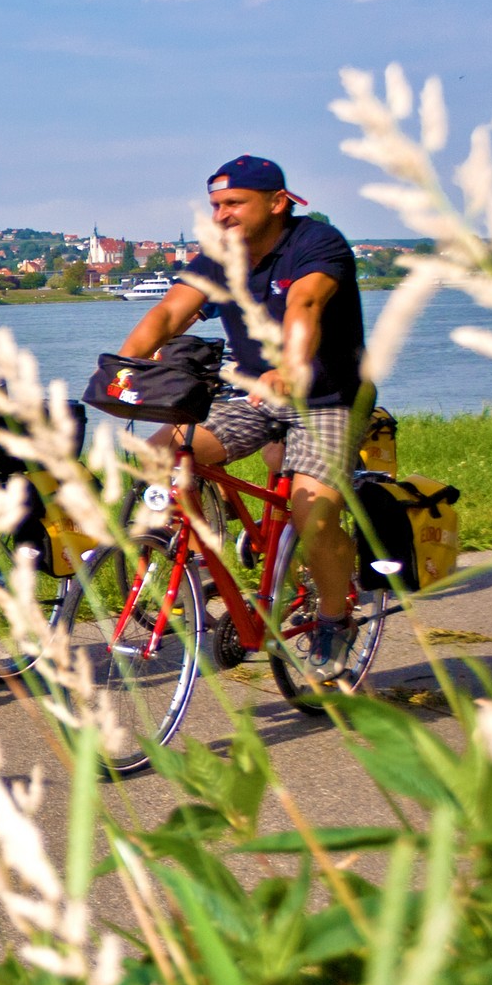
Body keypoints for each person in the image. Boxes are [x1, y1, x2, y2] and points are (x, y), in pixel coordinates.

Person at [117, 155, 367, 674]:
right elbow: (168, 313)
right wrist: (122, 369)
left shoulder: (316, 243)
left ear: (278, 203)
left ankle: (334, 617)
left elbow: (306, 306)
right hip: (254, 396)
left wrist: (291, 368)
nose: (222, 215)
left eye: (234, 203)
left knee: (312, 513)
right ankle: (208, 564)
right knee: (161, 454)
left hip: (325, 399)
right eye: (215, 205)